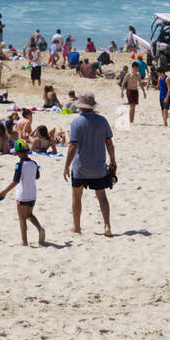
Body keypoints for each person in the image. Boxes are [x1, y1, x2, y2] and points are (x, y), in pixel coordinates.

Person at [63, 93, 115, 237]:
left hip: (81, 168)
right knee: (101, 195)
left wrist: (66, 166)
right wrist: (113, 161)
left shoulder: (76, 123)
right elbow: (109, 143)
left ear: (80, 106)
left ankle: (77, 227)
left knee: (76, 196)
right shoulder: (102, 121)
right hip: (99, 167)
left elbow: (73, 146)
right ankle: (107, 226)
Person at [0, 140, 46, 246]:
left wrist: (3, 193)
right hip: (32, 194)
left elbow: (15, 181)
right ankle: (40, 228)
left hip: (23, 195)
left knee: (22, 218)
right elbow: (37, 177)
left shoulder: (19, 165)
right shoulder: (34, 163)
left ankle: (24, 241)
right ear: (28, 151)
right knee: (30, 215)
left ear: (17, 153)